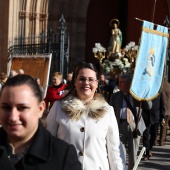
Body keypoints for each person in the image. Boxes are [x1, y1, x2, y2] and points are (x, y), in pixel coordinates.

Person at [46, 62, 126, 170]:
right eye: (82, 79)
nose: (86, 83)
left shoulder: (107, 111)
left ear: (97, 84)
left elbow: (115, 150)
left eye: (91, 79)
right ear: (75, 82)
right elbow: (47, 145)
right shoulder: (58, 108)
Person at [0, 74, 81, 170]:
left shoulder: (62, 156)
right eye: (6, 107)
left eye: (22, 108)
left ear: (40, 109)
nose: (13, 117)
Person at [109, 74, 148, 170]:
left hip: (134, 125)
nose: (119, 84)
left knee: (133, 153)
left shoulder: (137, 96)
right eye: (119, 82)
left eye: (122, 82)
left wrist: (145, 95)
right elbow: (109, 111)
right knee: (119, 151)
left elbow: (149, 106)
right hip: (119, 125)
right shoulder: (115, 96)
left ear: (129, 83)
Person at [142, 92, 165, 161]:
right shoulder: (145, 93)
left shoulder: (159, 93)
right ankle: (146, 153)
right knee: (146, 136)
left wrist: (162, 117)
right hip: (146, 117)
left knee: (154, 135)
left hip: (155, 118)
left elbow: (162, 105)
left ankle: (150, 148)